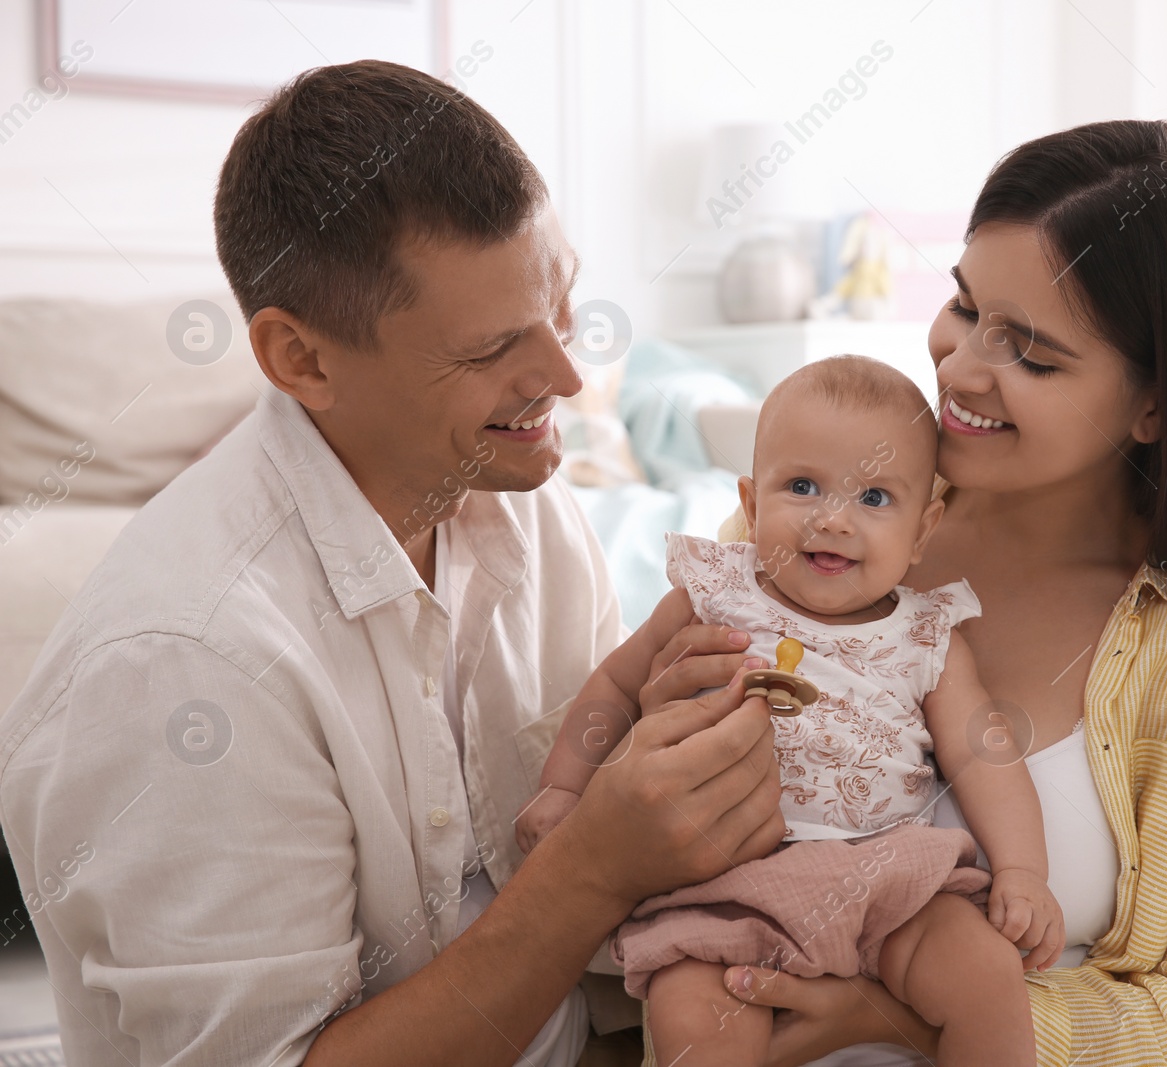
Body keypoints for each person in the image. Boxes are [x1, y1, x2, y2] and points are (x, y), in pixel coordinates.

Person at [0, 60, 783, 1067]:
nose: (566, 376)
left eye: (565, 303)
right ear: (302, 361)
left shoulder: (528, 513)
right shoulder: (185, 662)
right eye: (495, 346)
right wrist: (591, 868)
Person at [693, 121, 1167, 1067]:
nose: (961, 368)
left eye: (1033, 355)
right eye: (964, 306)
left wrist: (907, 1018)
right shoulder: (811, 535)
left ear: (1156, 404)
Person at [522, 356, 1065, 1066]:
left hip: (887, 883)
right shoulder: (715, 593)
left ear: (923, 530)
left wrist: (1023, 870)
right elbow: (614, 687)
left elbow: (983, 755)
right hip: (720, 889)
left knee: (986, 975)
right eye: (802, 486)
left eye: (874, 497)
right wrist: (565, 786)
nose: (833, 519)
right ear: (751, 504)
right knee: (695, 1016)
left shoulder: (926, 633)